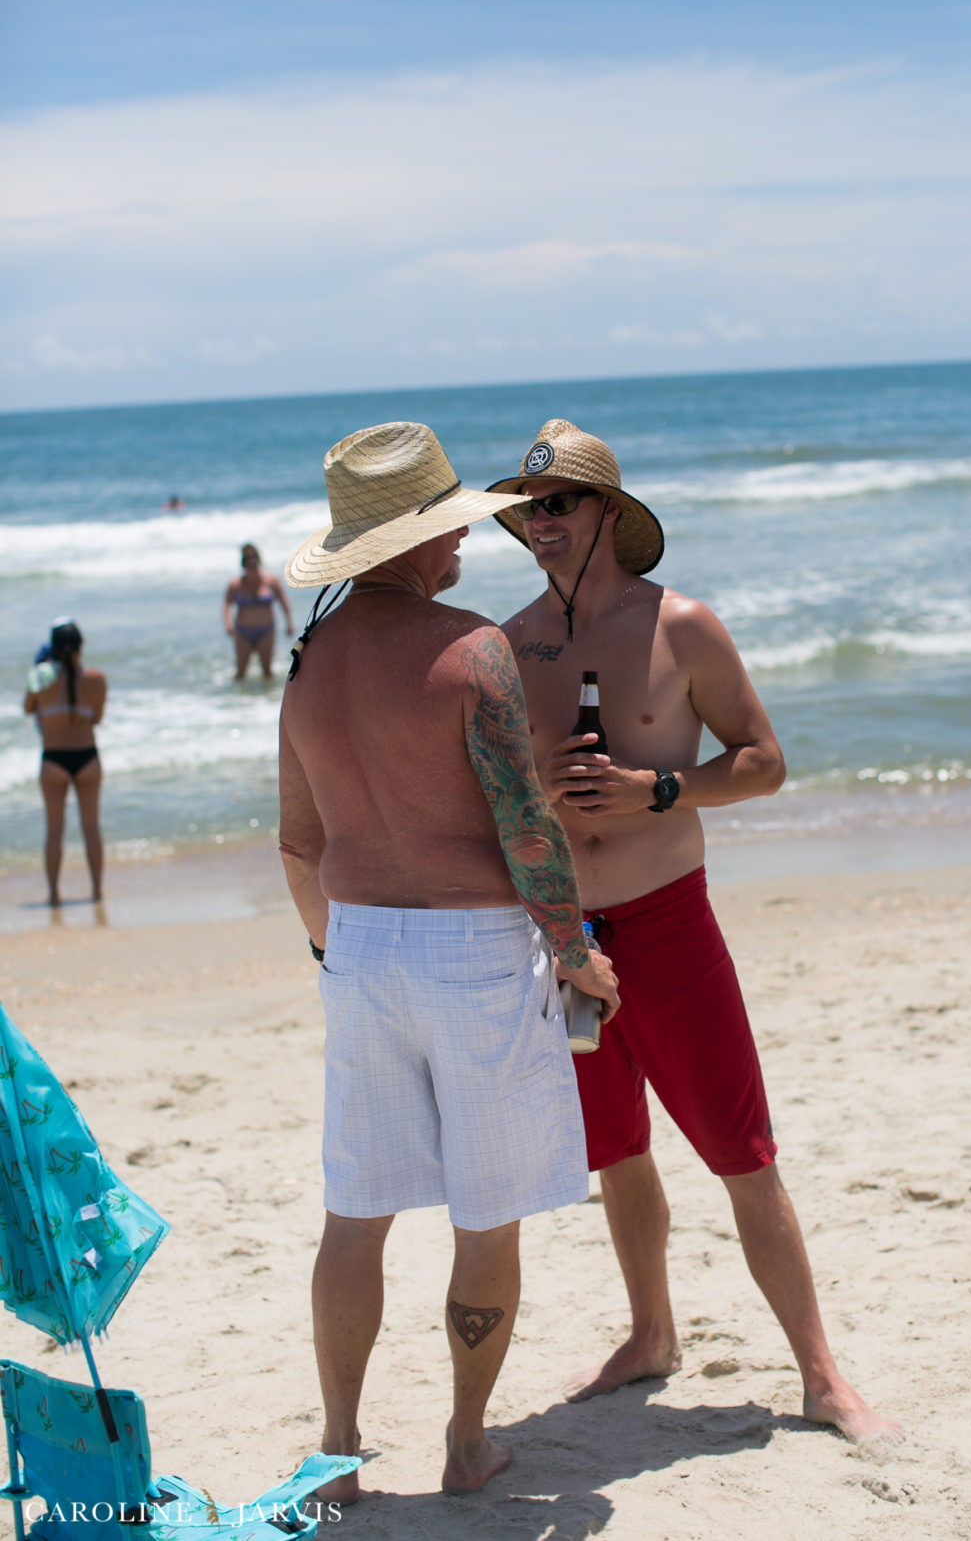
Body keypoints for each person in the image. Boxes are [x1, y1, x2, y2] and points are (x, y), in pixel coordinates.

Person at [489, 418, 902, 1442]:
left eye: (558, 504)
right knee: (617, 1150)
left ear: (608, 515)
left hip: (667, 925)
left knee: (739, 1149)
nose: (538, 522)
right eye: (527, 507)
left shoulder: (681, 627)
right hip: (565, 935)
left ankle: (819, 1376)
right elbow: (491, 799)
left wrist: (655, 789)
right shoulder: (510, 644)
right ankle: (650, 1334)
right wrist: (534, 795)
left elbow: (762, 760)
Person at [278, 422, 618, 1500]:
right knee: (485, 1209)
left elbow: (297, 842)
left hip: (360, 944)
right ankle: (467, 1444)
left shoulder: (306, 664)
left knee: (355, 1208)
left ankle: (337, 1449)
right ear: (407, 543)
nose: (463, 547)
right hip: (473, 952)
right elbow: (526, 829)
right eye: (447, 530)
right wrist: (575, 956)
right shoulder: (473, 649)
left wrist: (333, 955)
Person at [23, 619, 107, 907]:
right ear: (81, 646)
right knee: (91, 826)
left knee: (54, 830)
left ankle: (55, 895)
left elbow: (28, 709)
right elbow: (97, 718)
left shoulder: (40, 678)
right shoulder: (96, 678)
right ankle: (96, 892)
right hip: (87, 756)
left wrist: (42, 667)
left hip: (54, 759)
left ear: (53, 649)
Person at [222, 543, 294, 680]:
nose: (253, 568)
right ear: (244, 565)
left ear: (259, 562)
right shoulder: (236, 584)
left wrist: (289, 623)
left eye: (255, 564)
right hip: (243, 632)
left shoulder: (271, 581)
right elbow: (226, 604)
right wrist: (228, 623)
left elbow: (284, 602)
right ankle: (237, 699)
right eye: (249, 565)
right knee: (241, 673)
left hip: (266, 631)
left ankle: (268, 699)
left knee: (267, 672)